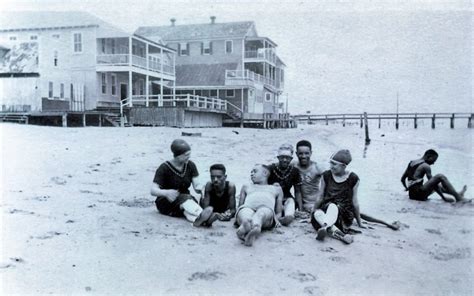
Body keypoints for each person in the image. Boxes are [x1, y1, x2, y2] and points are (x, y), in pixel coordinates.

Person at [150, 139, 217, 227]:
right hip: (166, 201)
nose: (188, 157)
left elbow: (196, 185)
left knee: (186, 207)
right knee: (186, 200)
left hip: (185, 200)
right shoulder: (164, 168)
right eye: (186, 155)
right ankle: (203, 215)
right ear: (177, 156)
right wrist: (166, 193)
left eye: (189, 154)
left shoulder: (190, 165)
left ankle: (197, 221)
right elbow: (153, 190)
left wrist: (201, 188)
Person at [311, 149, 365, 244]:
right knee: (317, 213)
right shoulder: (326, 175)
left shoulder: (353, 178)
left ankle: (325, 227)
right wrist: (311, 214)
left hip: (343, 215)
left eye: (334, 164)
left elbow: (355, 202)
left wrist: (359, 222)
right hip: (327, 211)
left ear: (343, 166)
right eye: (330, 163)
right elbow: (320, 196)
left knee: (333, 206)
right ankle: (342, 236)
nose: (331, 166)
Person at [236, 164, 284, 247]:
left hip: (266, 209)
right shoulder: (246, 186)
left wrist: (277, 219)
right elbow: (240, 206)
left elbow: (278, 212)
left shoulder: (276, 189)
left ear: (265, 173)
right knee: (245, 212)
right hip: (248, 207)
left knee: (261, 213)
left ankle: (253, 227)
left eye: (255, 171)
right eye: (251, 172)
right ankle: (246, 225)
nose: (251, 174)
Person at [400, 149, 468, 203]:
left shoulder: (411, 162)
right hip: (419, 195)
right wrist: (443, 197)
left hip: (412, 195)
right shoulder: (425, 166)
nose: (433, 163)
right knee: (440, 176)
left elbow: (402, 179)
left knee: (440, 186)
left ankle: (457, 194)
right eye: (433, 160)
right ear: (428, 156)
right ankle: (458, 198)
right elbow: (434, 184)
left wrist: (407, 188)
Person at [268, 144, 302, 226]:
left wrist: (301, 209)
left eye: (287, 158)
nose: (285, 160)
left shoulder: (295, 171)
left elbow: (297, 191)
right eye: (282, 157)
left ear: (291, 159)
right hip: (272, 198)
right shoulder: (270, 168)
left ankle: (288, 217)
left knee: (291, 202)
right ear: (278, 158)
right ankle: (275, 217)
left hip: (287, 198)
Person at [293, 140, 325, 213]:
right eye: (300, 153)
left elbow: (332, 179)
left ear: (311, 153)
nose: (303, 156)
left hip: (314, 203)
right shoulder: (293, 165)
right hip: (300, 204)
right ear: (296, 153)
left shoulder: (317, 167)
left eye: (306, 153)